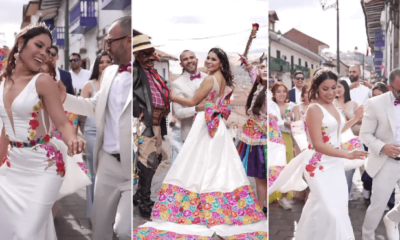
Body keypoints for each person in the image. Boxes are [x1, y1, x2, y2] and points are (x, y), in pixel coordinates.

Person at [133, 48, 267, 239]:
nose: (209, 62)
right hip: (217, 125)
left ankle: (196, 207)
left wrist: (172, 97)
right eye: (208, 58)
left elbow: (193, 101)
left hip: (205, 123)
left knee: (193, 164)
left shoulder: (209, 79)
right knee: (217, 165)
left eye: (213, 59)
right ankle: (219, 207)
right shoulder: (221, 79)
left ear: (221, 62)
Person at [0, 23, 85, 240]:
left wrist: (72, 140)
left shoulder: (43, 81)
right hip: (14, 167)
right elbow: (5, 132)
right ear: (21, 43)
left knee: (26, 233)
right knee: (10, 230)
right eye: (38, 45)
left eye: (47, 50)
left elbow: (63, 123)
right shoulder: (2, 82)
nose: (43, 54)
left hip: (45, 167)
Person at [269, 68, 368, 240]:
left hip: (335, 165)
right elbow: (318, 145)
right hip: (318, 166)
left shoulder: (334, 106)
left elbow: (335, 133)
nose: (331, 93)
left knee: (330, 209)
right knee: (331, 212)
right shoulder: (314, 109)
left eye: (334, 87)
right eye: (325, 89)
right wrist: (349, 155)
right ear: (316, 88)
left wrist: (354, 119)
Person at [58, 17, 132, 240]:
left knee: (125, 230)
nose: (106, 47)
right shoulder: (109, 73)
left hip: (134, 164)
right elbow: (92, 106)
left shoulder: (144, 74)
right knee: (100, 228)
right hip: (108, 161)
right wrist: (63, 96)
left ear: (128, 41)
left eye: (110, 41)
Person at [132, 34, 170, 219]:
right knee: (148, 159)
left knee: (156, 158)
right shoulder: (135, 70)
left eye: (151, 52)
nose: (151, 57)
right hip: (144, 122)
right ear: (138, 55)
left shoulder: (152, 72)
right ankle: (144, 202)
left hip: (157, 122)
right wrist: (137, 112)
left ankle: (140, 193)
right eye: (146, 53)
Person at [361, 68, 400, 240]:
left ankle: (391, 219)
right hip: (386, 161)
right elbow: (365, 134)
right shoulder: (375, 103)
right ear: (390, 87)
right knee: (377, 205)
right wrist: (383, 147)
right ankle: (367, 236)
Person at [80, 51, 112, 218]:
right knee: (93, 170)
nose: (105, 65)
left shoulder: (115, 83)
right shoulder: (89, 85)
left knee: (107, 171)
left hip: (111, 132)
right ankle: (93, 212)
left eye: (108, 62)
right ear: (96, 65)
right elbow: (78, 111)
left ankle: (107, 212)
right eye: (102, 62)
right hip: (92, 131)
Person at [237, 58, 268, 215]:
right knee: (259, 176)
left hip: (263, 139)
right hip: (253, 136)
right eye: (262, 67)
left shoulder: (269, 92)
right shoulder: (259, 88)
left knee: (262, 176)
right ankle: (261, 206)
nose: (265, 70)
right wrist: (248, 63)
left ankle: (262, 207)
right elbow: (253, 73)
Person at [334, 79, 363, 200]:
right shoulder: (332, 103)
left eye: (340, 87)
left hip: (351, 137)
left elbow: (360, 120)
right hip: (337, 137)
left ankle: (347, 191)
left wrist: (350, 116)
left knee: (350, 167)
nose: (337, 89)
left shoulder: (353, 104)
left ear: (345, 88)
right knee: (338, 166)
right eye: (336, 87)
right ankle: (339, 192)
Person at [269, 82, 295, 209]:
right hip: (272, 138)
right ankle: (272, 194)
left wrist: (293, 119)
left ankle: (284, 197)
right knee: (274, 165)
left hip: (286, 138)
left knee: (287, 166)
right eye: (278, 91)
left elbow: (297, 123)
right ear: (273, 94)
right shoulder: (270, 105)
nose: (282, 94)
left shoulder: (292, 106)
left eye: (284, 91)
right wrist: (282, 123)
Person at [171, 50, 207, 142]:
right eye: (185, 59)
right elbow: (178, 113)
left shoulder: (208, 77)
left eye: (191, 57)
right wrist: (197, 108)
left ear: (197, 60)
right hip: (191, 135)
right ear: (181, 64)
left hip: (210, 132)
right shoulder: (176, 84)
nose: (189, 61)